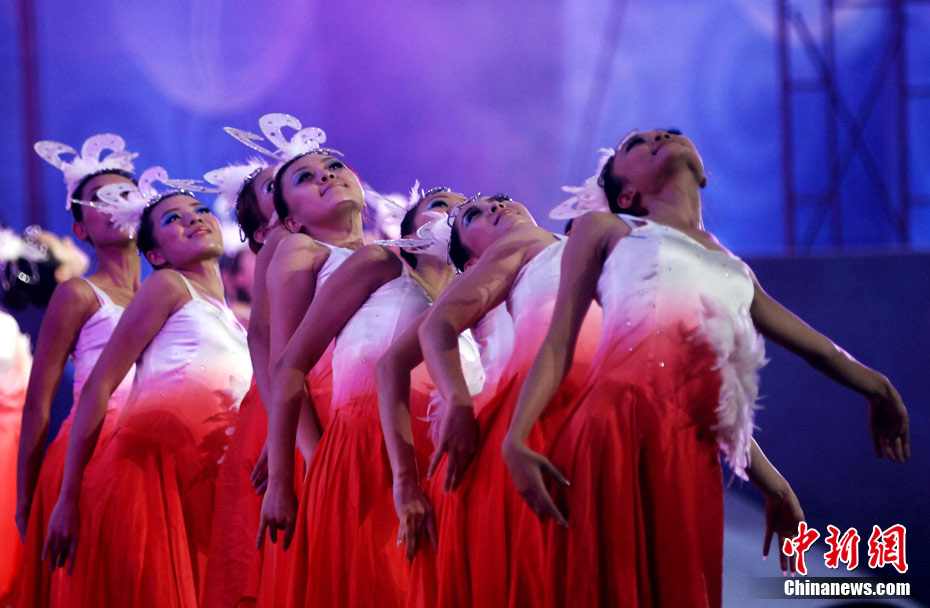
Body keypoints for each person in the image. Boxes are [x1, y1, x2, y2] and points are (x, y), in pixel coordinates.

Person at [502, 129, 909, 606]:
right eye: (636, 143)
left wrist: (879, 390)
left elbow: (811, 355)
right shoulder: (608, 231)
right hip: (613, 428)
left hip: (689, 452)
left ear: (702, 172)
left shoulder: (737, 273)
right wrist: (517, 436)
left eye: (668, 133)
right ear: (626, 195)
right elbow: (558, 343)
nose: (659, 135)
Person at [42, 167, 252, 607]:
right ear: (154, 254)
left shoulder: (234, 322)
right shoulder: (168, 286)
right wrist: (67, 495)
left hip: (200, 486)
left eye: (198, 209)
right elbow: (100, 384)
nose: (194, 218)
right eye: (173, 219)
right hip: (146, 478)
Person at [263, 186, 465, 607]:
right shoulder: (380, 263)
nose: (455, 213)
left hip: (439, 465)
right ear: (409, 232)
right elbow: (288, 365)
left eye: (465, 208)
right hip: (363, 455)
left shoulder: (473, 304)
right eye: (439, 206)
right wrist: (282, 478)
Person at [409, 194, 601, 607]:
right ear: (472, 264)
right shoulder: (518, 247)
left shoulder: (576, 240)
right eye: (473, 216)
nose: (494, 208)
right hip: (543, 417)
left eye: (500, 200)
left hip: (593, 406)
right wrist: (458, 403)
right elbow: (426, 335)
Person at [17, 134, 140, 608]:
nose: (116, 204)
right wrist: (27, 500)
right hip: (88, 464)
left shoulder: (168, 292)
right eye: (100, 200)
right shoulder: (78, 294)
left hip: (154, 458)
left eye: (126, 193)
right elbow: (39, 403)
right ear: (80, 229)